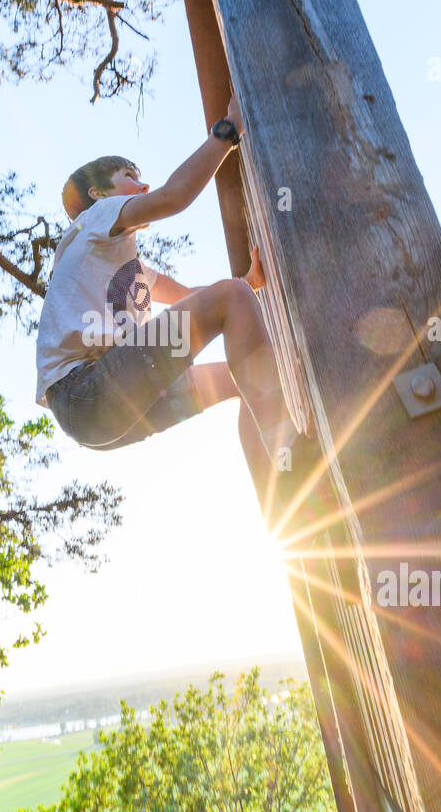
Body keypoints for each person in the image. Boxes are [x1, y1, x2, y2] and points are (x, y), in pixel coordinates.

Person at [35, 95, 320, 531]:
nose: (142, 186)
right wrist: (228, 130)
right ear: (98, 194)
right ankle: (297, 462)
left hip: (105, 414)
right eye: (130, 177)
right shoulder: (96, 219)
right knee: (231, 299)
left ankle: (284, 508)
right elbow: (174, 196)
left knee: (247, 377)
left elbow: (189, 295)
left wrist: (252, 283)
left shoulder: (125, 266)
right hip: (87, 390)